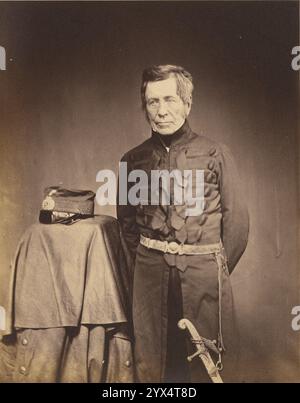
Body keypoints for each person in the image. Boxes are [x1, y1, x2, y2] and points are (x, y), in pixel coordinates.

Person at [117, 64, 249, 383]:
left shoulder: (216, 154)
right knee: (153, 364)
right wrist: (147, 266)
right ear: (145, 107)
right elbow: (126, 227)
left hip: (204, 277)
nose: (161, 111)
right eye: (153, 102)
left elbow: (238, 225)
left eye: (170, 100)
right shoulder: (130, 161)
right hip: (150, 279)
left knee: (206, 365)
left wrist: (212, 268)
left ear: (187, 104)